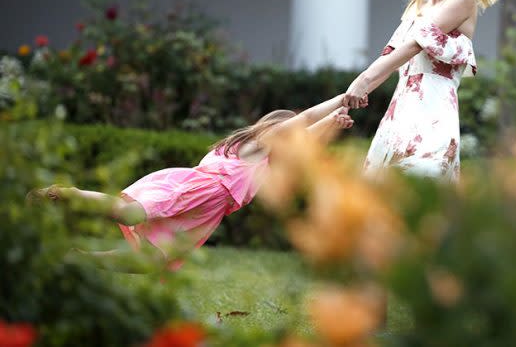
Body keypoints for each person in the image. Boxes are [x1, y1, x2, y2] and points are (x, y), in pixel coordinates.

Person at [26, 95, 361, 272]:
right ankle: (63, 194)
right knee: (129, 213)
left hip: (204, 212)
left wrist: (333, 122)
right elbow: (300, 124)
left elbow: (302, 143)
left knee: (151, 261)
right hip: (193, 191)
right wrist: (342, 100)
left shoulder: (269, 160)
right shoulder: (258, 143)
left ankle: (81, 259)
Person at [343, 0, 516, 182]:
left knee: (420, 197)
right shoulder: (418, 5)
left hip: (433, 118)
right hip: (399, 116)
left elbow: (415, 45)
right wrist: (349, 97)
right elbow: (390, 59)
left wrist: (364, 80)